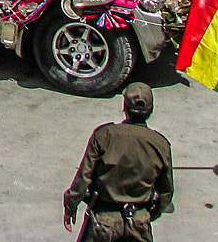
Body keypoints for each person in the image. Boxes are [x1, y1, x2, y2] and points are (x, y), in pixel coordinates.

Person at [63, 82, 174, 241]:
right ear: (150, 110)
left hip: (104, 222)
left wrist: (71, 206)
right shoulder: (160, 144)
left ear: (125, 107)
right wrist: (147, 215)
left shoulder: (104, 135)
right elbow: (166, 191)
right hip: (139, 222)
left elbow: (83, 177)